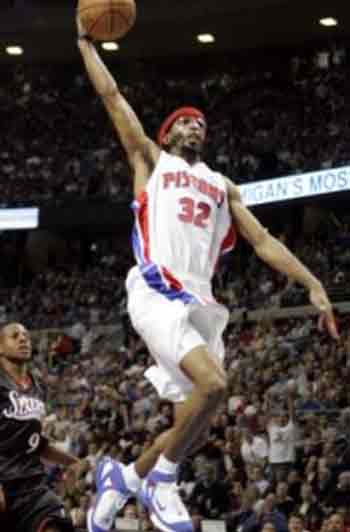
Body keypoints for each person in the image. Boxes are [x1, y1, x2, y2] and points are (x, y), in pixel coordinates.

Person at [76, 18, 339, 532]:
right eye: (185, 121)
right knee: (216, 385)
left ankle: (123, 478)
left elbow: (263, 242)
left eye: (201, 122)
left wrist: (312, 282)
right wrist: (85, 44)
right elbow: (111, 95)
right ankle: (161, 482)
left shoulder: (223, 185)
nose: (196, 125)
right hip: (156, 288)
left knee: (190, 425)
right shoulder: (150, 160)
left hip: (199, 302)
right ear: (167, 133)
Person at [0, 322, 81, 532]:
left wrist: (74, 463)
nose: (23, 339)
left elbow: (36, 444)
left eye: (26, 335)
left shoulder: (38, 388)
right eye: (15, 336)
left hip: (33, 487)